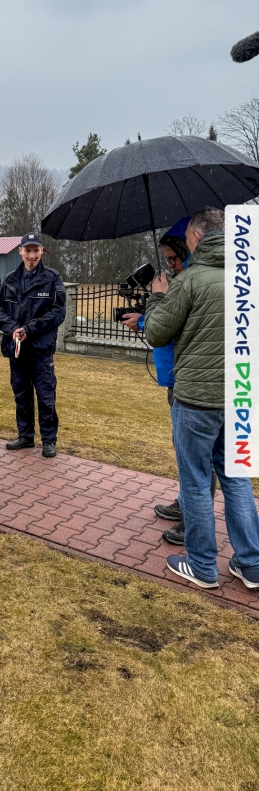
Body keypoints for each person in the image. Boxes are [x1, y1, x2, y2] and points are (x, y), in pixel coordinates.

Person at [144, 206, 259, 590]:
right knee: (237, 478)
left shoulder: (191, 280)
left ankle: (202, 565)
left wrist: (157, 298)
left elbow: (157, 333)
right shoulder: (249, 276)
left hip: (196, 400)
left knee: (195, 481)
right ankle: (251, 563)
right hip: (239, 395)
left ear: (196, 237)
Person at [122, 217, 203, 546]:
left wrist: (150, 311)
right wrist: (145, 316)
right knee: (183, 450)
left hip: (191, 381)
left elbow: (170, 327)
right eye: (166, 260)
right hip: (176, 376)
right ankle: (185, 504)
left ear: (189, 249)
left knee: (195, 457)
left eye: (174, 258)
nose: (170, 265)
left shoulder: (193, 284)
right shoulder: (182, 283)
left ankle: (193, 522)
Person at [0, 231, 66, 456]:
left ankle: (49, 440)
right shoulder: (10, 279)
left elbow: (58, 312)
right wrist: (13, 328)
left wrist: (30, 329)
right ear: (20, 251)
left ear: (42, 251)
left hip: (41, 350)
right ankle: (25, 436)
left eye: (36, 250)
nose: (32, 255)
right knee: (21, 395)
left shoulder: (52, 278)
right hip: (16, 350)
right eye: (28, 250)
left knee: (45, 396)